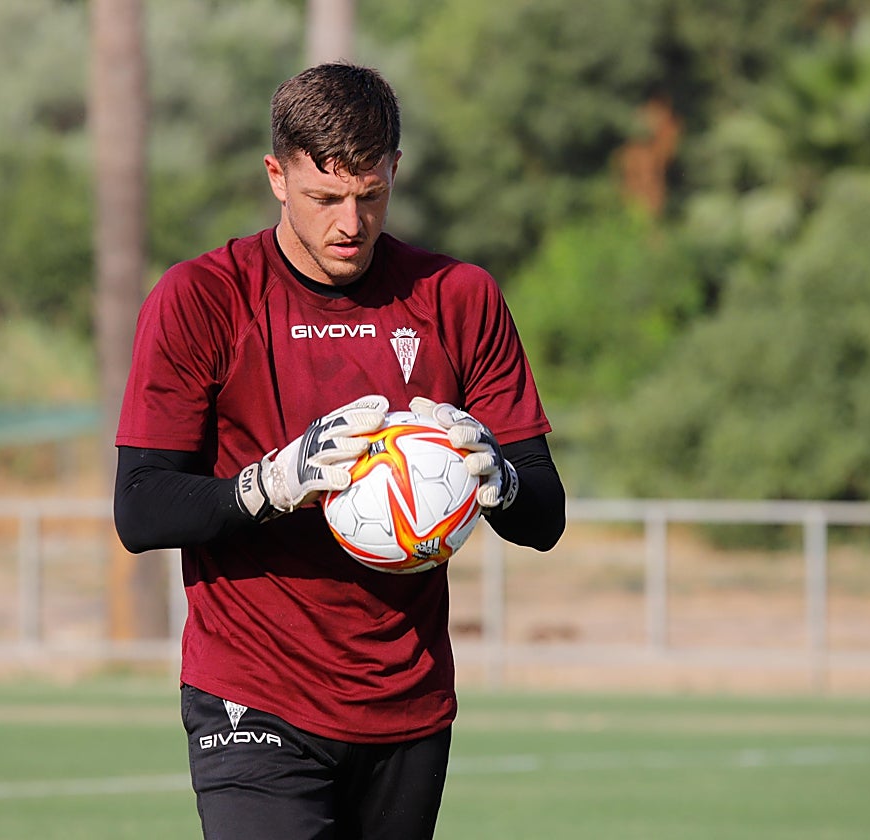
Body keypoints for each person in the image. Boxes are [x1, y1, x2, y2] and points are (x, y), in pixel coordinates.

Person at [114, 62, 566, 840]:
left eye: (371, 195)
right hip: (251, 691)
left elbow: (546, 516)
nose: (350, 224)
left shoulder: (458, 296)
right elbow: (141, 507)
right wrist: (268, 484)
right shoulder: (202, 298)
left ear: (395, 169)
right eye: (325, 198)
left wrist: (499, 479)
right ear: (276, 176)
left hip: (409, 701)